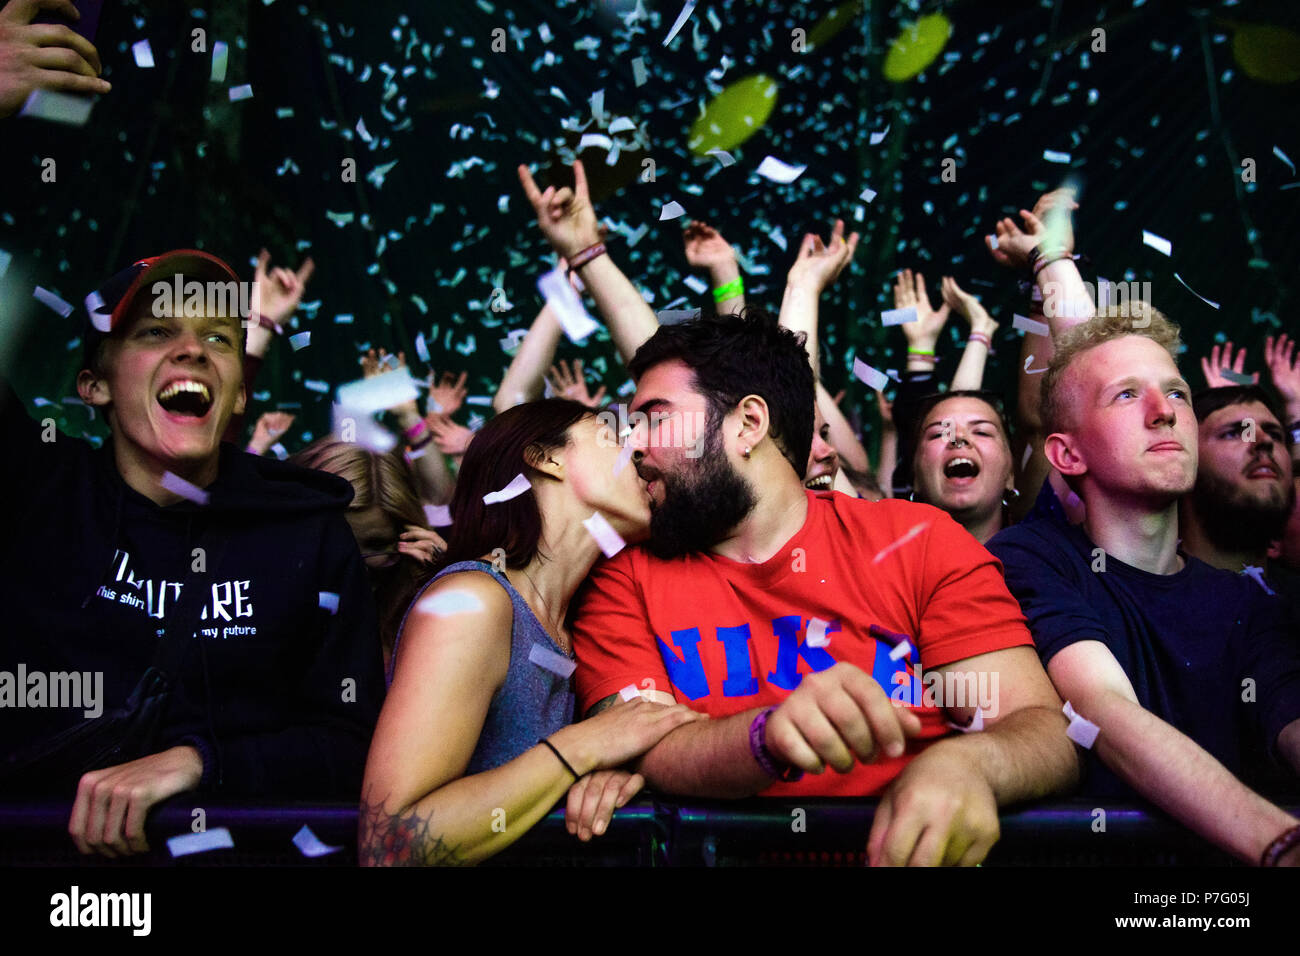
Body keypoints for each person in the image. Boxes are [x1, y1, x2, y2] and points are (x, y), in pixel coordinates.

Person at [566, 312, 1080, 868]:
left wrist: (973, 764)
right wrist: (770, 734)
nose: (633, 445)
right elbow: (649, 748)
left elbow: (1041, 730)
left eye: (654, 419)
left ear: (747, 424)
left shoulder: (917, 541)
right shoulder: (622, 574)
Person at [0, 249, 384, 857]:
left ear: (236, 396)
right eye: (155, 331)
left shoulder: (308, 532)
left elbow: (353, 744)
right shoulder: (32, 493)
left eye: (218, 337)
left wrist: (200, 761)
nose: (193, 350)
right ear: (94, 385)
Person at [986, 304, 1300, 865]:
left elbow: (1290, 718)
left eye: (1177, 393)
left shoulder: (1245, 603)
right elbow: (1102, 708)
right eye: (1126, 395)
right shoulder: (1032, 559)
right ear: (1066, 453)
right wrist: (1279, 846)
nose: (1165, 414)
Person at [359, 399, 703, 865]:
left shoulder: (576, 622)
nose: (638, 448)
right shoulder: (471, 602)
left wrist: (611, 774)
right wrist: (585, 745)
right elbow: (389, 845)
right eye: (614, 435)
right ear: (547, 459)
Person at [289, 438, 446, 673]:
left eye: (377, 544)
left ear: (408, 535)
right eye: (338, 545)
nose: (359, 568)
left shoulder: (424, 599)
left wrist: (444, 584)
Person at [910, 390, 1017, 543]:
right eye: (939, 434)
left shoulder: (1040, 556)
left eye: (982, 432)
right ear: (915, 476)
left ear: (1011, 473)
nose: (958, 437)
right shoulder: (885, 562)